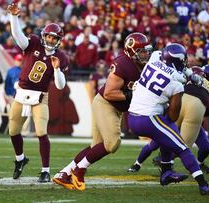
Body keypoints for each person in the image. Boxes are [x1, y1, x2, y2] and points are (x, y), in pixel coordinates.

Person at [53, 32, 152, 190]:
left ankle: (63, 173)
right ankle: (79, 170)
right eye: (142, 51)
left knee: (96, 147)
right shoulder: (123, 63)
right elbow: (109, 93)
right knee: (112, 143)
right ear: (132, 51)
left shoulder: (144, 64)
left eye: (147, 50)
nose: (146, 54)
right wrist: (132, 94)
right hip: (106, 103)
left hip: (116, 108)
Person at [128, 43, 209, 195]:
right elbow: (173, 115)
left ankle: (166, 173)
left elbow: (176, 68)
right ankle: (203, 184)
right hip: (148, 118)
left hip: (133, 114)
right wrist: (192, 77)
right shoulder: (177, 82)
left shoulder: (155, 57)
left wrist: (189, 74)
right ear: (179, 60)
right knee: (182, 147)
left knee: (168, 129)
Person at [7, 3, 69, 182]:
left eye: (53, 38)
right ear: (43, 36)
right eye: (48, 37)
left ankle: (45, 170)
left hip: (40, 97)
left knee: (41, 132)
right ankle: (20, 159)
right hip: (21, 92)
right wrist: (14, 17)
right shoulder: (33, 42)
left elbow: (59, 86)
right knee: (13, 131)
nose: (50, 40)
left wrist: (57, 70)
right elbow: (18, 37)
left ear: (58, 40)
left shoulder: (61, 57)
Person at [128, 65, 209, 174]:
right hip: (192, 113)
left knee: (159, 142)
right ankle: (148, 163)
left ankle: (199, 164)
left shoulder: (186, 78)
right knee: (179, 145)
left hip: (181, 111)